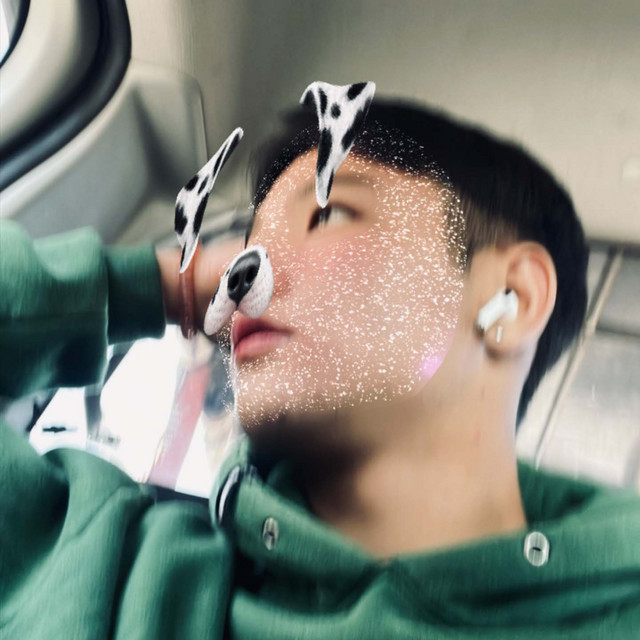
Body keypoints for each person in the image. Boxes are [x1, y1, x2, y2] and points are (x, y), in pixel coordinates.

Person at [1, 99, 638, 639]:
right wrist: (167, 283)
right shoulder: (109, 573)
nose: (244, 276)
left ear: (513, 298)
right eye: (245, 248)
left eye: (327, 213)